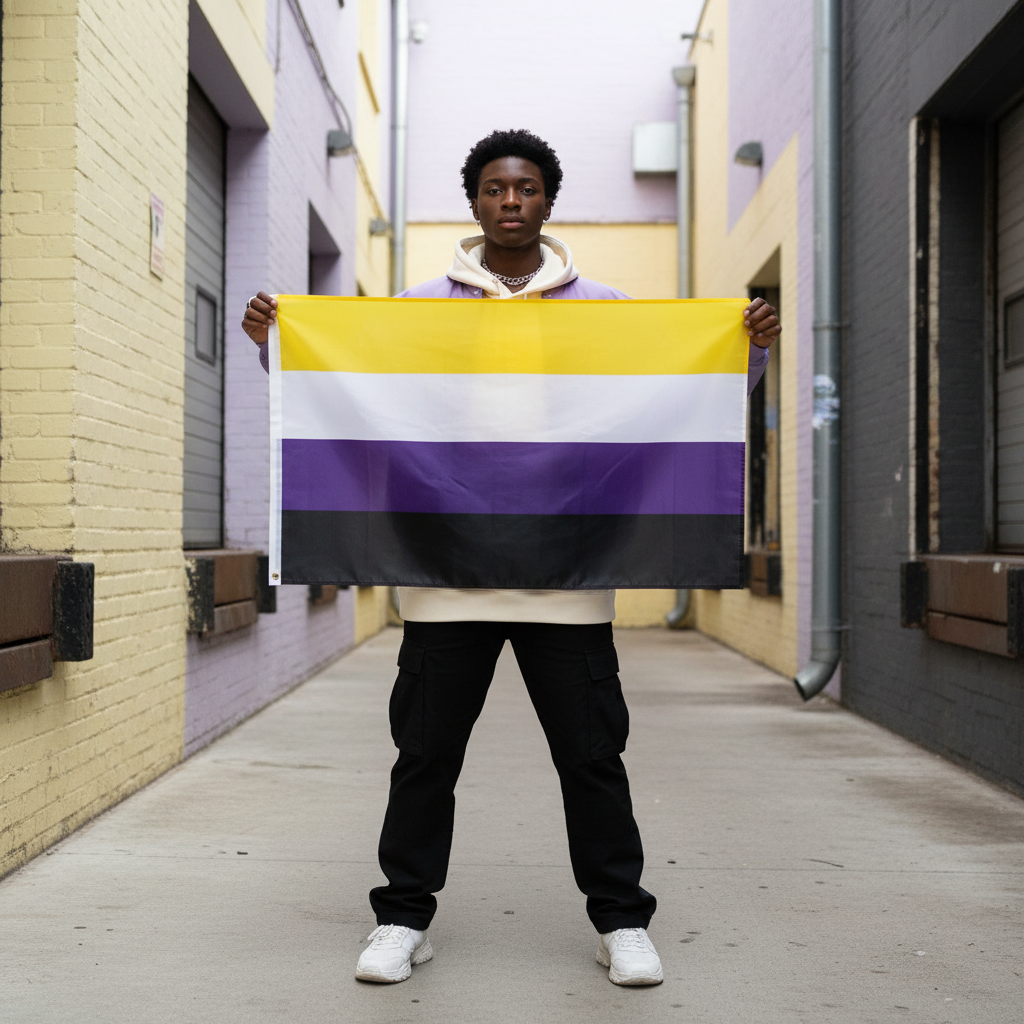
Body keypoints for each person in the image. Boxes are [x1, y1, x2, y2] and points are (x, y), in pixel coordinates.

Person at [243, 129, 780, 987]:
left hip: (566, 583)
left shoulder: (605, 309)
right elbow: (339, 380)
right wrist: (277, 340)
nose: (511, 202)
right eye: (495, 188)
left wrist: (747, 352)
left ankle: (621, 922)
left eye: (526, 188)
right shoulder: (418, 306)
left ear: (547, 199)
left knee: (592, 759)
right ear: (476, 201)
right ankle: (402, 919)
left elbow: (685, 393)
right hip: (445, 580)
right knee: (425, 759)